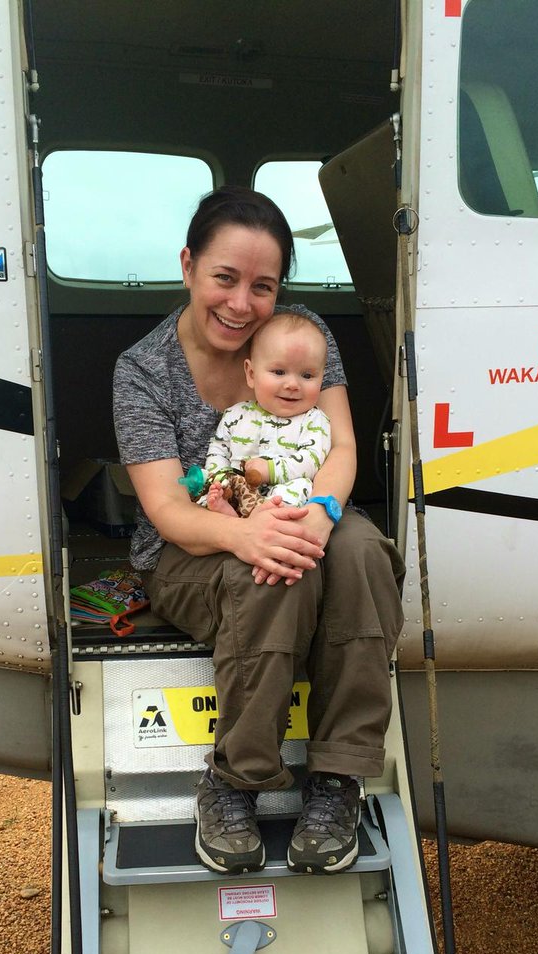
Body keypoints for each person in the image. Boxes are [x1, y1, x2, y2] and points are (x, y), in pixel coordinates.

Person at [113, 184, 405, 876]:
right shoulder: (143, 370)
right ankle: (235, 778)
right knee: (270, 577)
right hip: (191, 546)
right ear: (188, 266)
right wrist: (248, 536)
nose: (241, 303)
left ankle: (338, 776)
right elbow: (167, 509)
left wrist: (322, 516)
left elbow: (341, 446)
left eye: (263, 286)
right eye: (225, 278)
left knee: (364, 554)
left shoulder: (303, 337)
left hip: (305, 506)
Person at [197, 311, 331, 517]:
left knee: (301, 485)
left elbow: (311, 461)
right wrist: (220, 478)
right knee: (211, 492)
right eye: (279, 372)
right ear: (251, 374)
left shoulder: (314, 419)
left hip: (282, 492)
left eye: (307, 375)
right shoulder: (235, 415)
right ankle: (228, 510)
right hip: (239, 489)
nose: (292, 384)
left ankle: (266, 514)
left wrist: (270, 470)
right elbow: (218, 449)